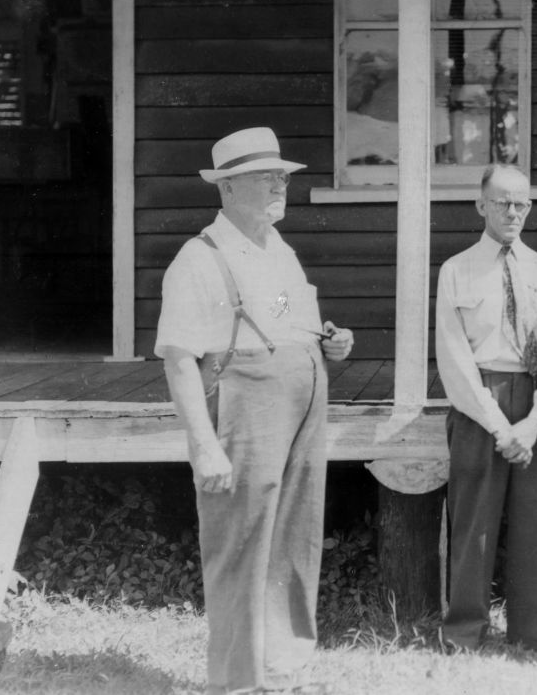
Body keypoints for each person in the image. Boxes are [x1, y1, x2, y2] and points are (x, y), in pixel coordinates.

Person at [155, 127, 353, 695]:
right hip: (246, 406)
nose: (279, 184)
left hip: (302, 404)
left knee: (295, 536)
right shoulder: (198, 259)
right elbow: (179, 360)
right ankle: (237, 681)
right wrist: (203, 444)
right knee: (240, 544)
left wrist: (329, 342)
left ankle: (285, 667)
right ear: (227, 187)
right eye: (265, 176)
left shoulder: (280, 249)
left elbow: (292, 325)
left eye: (282, 175)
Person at [435, 164, 537, 652]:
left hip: (533, 405)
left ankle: (532, 631)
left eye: (521, 203)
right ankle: (465, 632)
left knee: (535, 520)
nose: (513, 212)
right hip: (479, 406)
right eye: (502, 202)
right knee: (474, 522)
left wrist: (533, 423)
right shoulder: (457, 269)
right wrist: (498, 425)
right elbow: (453, 358)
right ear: (481, 205)